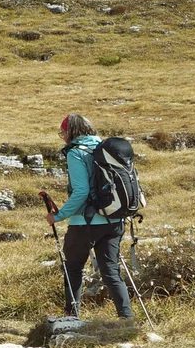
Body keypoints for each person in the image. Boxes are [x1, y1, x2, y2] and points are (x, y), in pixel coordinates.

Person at [45, 114, 133, 320]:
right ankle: (126, 319)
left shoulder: (76, 153)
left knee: (73, 268)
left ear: (71, 133)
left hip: (84, 222)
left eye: (63, 133)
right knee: (111, 271)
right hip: (114, 219)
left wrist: (59, 216)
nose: (63, 137)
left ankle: (71, 317)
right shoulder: (108, 150)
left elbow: (81, 191)